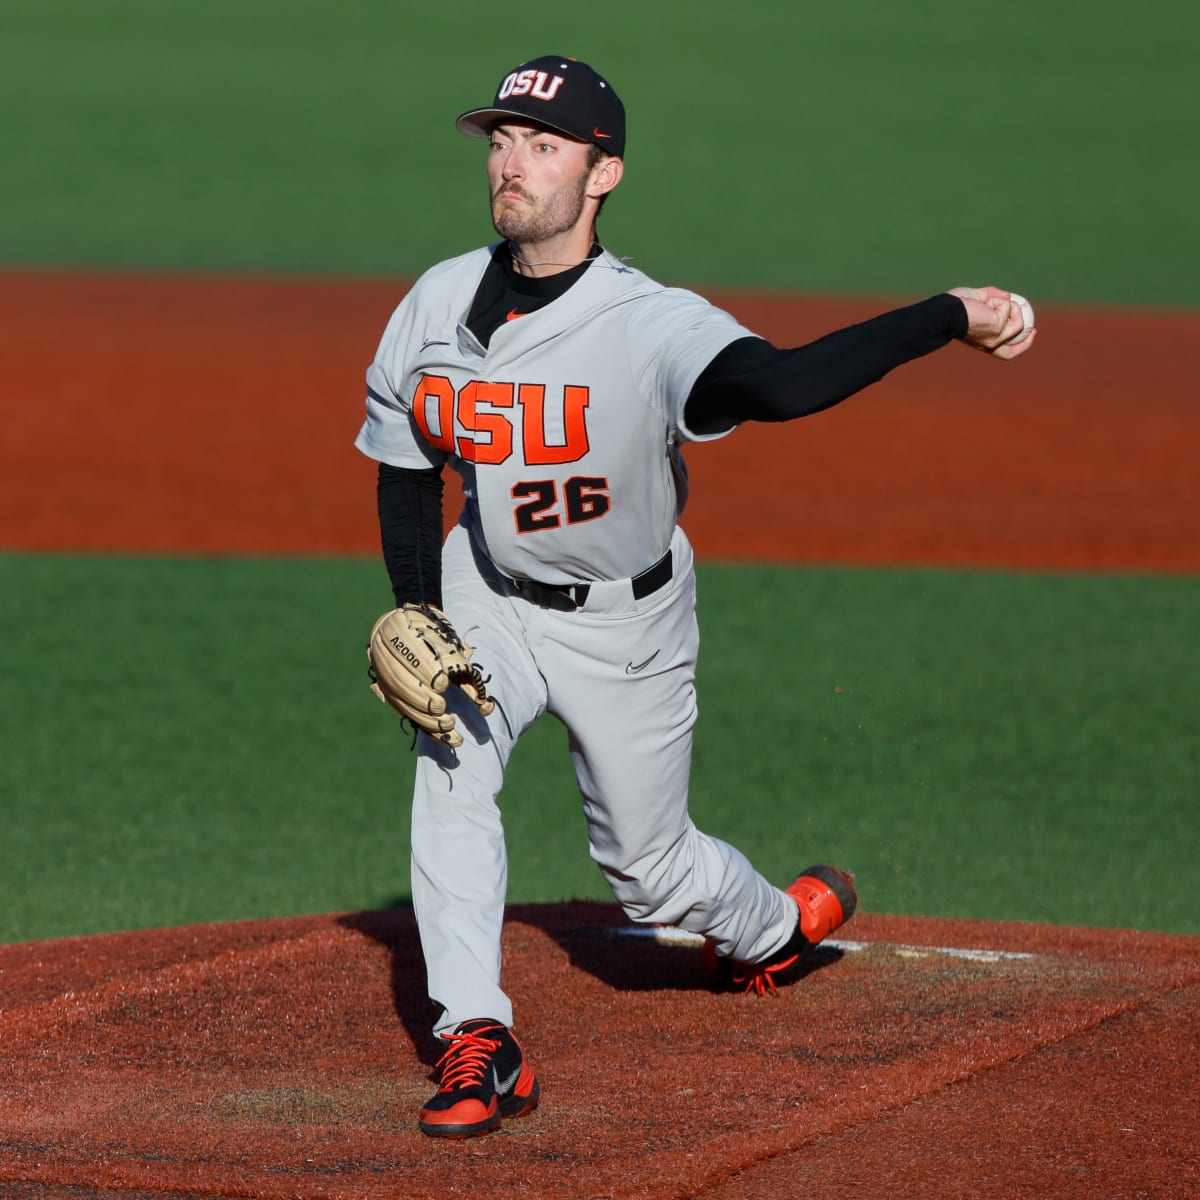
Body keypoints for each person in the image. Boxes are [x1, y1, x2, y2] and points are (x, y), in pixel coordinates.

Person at [354, 54, 1037, 1139]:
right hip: (486, 589)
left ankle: (772, 928)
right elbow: (405, 460)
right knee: (448, 765)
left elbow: (781, 384)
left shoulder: (652, 324)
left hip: (627, 623)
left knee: (651, 874)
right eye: (500, 140)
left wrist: (945, 312)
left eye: (543, 145)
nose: (510, 164)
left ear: (604, 172)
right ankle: (477, 1038)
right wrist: (415, 601)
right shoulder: (439, 301)